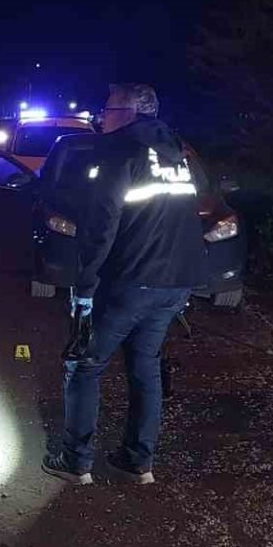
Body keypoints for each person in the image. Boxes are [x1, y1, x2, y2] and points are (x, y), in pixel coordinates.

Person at [44, 82, 206, 486]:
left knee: (84, 363)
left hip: (130, 280)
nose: (102, 117)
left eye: (109, 110)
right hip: (175, 282)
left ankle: (75, 462)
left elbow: (102, 226)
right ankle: (137, 462)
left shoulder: (119, 151)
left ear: (131, 113)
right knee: (145, 366)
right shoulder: (177, 152)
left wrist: (84, 288)